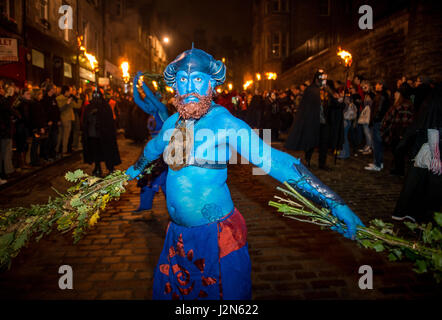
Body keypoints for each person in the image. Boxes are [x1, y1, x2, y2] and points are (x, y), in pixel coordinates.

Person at [125, 48, 364, 300]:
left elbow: (277, 163)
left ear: (211, 84)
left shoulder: (225, 124)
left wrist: (335, 204)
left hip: (217, 238)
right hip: (177, 238)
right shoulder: (172, 122)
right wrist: (130, 172)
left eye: (197, 79)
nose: (189, 88)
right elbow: (152, 150)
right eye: (183, 80)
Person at [392, 83, 442, 222]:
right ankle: (422, 216)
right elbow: (433, 128)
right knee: (425, 186)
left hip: (424, 149)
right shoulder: (434, 103)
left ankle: (415, 213)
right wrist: (437, 155)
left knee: (418, 184)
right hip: (428, 150)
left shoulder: (429, 103)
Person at [132, 72, 169, 212]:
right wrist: (135, 83)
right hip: (152, 151)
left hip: (164, 152)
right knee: (146, 177)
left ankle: (176, 208)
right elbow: (137, 100)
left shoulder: (162, 111)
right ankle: (145, 206)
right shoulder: (152, 111)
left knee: (165, 180)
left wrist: (142, 83)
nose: (148, 101)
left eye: (155, 97)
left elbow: (151, 98)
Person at [285, 69, 329, 169]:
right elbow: (307, 106)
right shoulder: (311, 90)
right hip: (313, 121)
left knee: (324, 143)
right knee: (310, 142)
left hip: (323, 121)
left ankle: (322, 163)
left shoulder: (325, 90)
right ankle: (308, 160)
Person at [82, 89, 121, 177]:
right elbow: (85, 121)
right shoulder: (89, 107)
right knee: (96, 152)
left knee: (107, 151)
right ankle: (97, 167)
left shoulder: (105, 107)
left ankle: (110, 167)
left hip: (104, 134)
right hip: (93, 134)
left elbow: (109, 121)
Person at [365, 80, 390, 172]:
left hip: (377, 122)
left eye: (377, 84)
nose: (375, 85)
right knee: (378, 143)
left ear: (381, 85)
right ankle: (379, 162)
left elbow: (378, 110)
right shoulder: (382, 95)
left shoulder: (382, 96)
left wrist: (374, 120)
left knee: (376, 143)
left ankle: (377, 164)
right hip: (378, 121)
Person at [56, 85, 74, 157]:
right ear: (66, 91)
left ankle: (58, 150)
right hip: (65, 119)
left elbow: (76, 106)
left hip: (65, 119)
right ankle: (63, 150)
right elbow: (60, 108)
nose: (70, 93)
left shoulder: (67, 98)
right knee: (65, 135)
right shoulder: (60, 98)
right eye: (69, 91)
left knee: (61, 135)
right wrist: (67, 103)